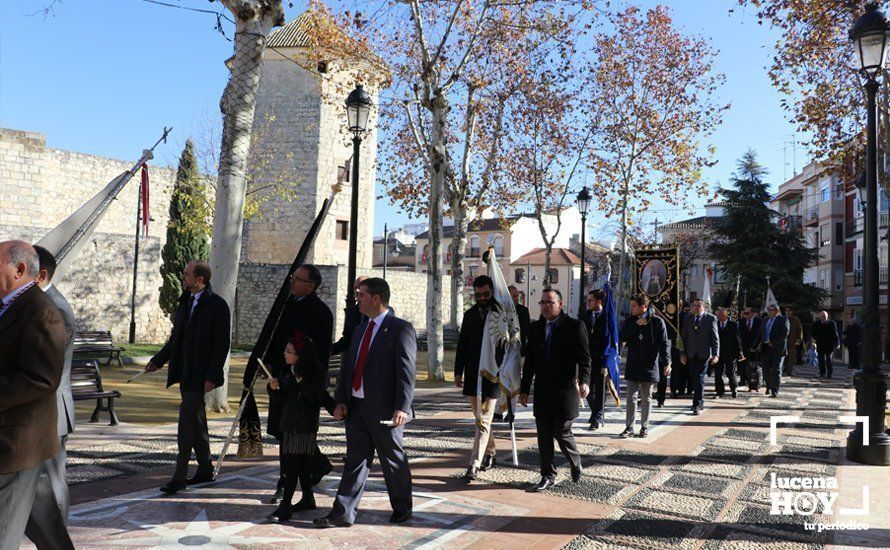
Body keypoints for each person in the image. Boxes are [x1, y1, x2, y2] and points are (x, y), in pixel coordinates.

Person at [315, 278, 416, 528]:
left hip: (385, 410)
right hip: (357, 408)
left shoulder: (400, 329)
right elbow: (349, 369)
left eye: (360, 294)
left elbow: (406, 372)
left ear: (376, 298)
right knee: (355, 461)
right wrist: (341, 400)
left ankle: (402, 506)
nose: (356, 299)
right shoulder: (359, 329)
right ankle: (342, 514)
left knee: (393, 460)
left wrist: (403, 407)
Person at [0, 240, 73, 550]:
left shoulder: (43, 311)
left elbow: (41, 378)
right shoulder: (10, 305)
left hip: (16, 444)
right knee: (47, 528)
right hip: (20, 444)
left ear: (19, 270)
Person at [146, 260, 231, 494]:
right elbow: (176, 338)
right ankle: (205, 468)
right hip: (185, 371)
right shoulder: (185, 301)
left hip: (201, 374)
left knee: (186, 424)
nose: (183, 277)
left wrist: (213, 375)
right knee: (197, 421)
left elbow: (221, 344)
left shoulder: (217, 305)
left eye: (186, 274)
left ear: (200, 279)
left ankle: (179, 476)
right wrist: (158, 360)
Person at [264, 264, 334, 504]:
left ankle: (287, 483)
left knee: (294, 434)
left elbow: (320, 352)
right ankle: (318, 466)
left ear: (311, 285)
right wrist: (270, 365)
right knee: (282, 430)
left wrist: (307, 377)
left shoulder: (321, 312)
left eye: (297, 279)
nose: (291, 282)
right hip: (282, 379)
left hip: (303, 385)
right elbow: (276, 339)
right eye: (292, 278)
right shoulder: (286, 305)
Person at [24, 246, 76, 548]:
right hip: (43, 411)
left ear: (40, 274)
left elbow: (47, 372)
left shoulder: (55, 309)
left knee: (52, 486)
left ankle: (58, 541)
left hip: (52, 412)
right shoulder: (38, 304)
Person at [519, 289, 591, 492]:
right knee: (543, 435)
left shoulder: (575, 326)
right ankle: (547, 475)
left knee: (561, 430)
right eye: (542, 302)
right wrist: (525, 389)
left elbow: (585, 359)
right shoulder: (535, 328)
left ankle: (575, 461)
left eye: (549, 302)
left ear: (560, 304)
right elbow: (530, 362)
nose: (544, 306)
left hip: (565, 391)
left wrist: (584, 381)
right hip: (543, 391)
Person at [266, 333, 336, 523]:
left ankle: (285, 507)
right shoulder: (286, 371)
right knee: (303, 464)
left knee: (291, 465)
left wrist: (335, 409)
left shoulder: (314, 373)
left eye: (289, 351)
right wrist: (274, 389)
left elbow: (319, 397)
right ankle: (307, 498)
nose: (284, 354)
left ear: (300, 355)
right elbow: (281, 399)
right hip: (289, 424)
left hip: (305, 426)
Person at [454, 275, 499, 481]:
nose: (482, 298)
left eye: (486, 294)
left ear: (492, 292)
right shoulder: (470, 314)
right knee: (479, 418)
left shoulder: (501, 313)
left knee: (483, 420)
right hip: (473, 374)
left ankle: (474, 464)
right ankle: (490, 452)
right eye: (478, 295)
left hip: (493, 375)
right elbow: (463, 344)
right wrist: (457, 371)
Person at [619, 294, 670, 438]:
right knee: (631, 397)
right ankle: (629, 427)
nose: (631, 308)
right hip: (633, 364)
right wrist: (636, 325)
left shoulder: (658, 322)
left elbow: (664, 344)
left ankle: (644, 427)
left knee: (647, 397)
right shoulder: (631, 321)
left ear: (643, 307)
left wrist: (666, 362)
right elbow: (622, 336)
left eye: (634, 306)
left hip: (649, 365)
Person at [680, 298, 719, 415]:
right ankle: (699, 401)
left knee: (699, 376)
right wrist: (682, 353)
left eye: (698, 306)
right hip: (691, 353)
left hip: (704, 353)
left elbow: (715, 338)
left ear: (704, 307)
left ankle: (697, 403)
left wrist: (716, 354)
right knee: (694, 377)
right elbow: (684, 337)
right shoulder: (688, 318)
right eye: (694, 305)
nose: (695, 308)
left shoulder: (710, 318)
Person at [584, 290, 607, 429]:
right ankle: (596, 412)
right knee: (586, 389)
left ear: (599, 301)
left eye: (591, 300)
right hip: (587, 358)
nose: (588, 303)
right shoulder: (586, 315)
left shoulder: (606, 316)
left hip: (600, 358)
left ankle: (596, 418)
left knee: (599, 390)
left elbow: (609, 338)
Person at [757, 304, 789, 397]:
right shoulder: (765, 320)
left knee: (776, 370)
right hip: (766, 348)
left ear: (776, 311)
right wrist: (755, 345)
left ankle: (775, 391)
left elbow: (784, 334)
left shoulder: (783, 320)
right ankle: (769, 386)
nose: (769, 311)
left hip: (778, 349)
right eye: (769, 310)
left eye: (771, 310)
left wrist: (774, 342)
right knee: (765, 369)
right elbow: (760, 333)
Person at [331, 275, 368, 356]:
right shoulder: (352, 312)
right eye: (355, 288)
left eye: (360, 287)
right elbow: (346, 339)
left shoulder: (378, 312)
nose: (357, 290)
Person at [713, 307, 743, 399]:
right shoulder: (715, 324)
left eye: (720, 315)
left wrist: (740, 352)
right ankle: (719, 391)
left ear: (725, 315)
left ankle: (734, 389)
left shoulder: (733, 325)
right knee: (718, 373)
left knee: (730, 372)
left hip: (731, 353)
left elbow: (738, 340)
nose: (718, 317)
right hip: (718, 353)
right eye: (717, 315)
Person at [739, 307, 763, 391]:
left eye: (747, 313)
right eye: (744, 313)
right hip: (744, 346)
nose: (745, 315)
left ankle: (754, 382)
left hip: (754, 348)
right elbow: (739, 335)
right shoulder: (741, 321)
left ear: (752, 313)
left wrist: (755, 346)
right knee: (742, 363)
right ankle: (743, 379)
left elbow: (759, 335)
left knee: (754, 365)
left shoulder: (759, 321)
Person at [670, 300, 690, 398]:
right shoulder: (669, 315)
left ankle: (681, 389)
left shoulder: (684, 316)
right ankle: (673, 389)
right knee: (673, 369)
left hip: (681, 345)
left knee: (680, 368)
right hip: (672, 344)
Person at [811, 311, 839, 379]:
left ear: (827, 317)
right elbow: (813, 333)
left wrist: (837, 343)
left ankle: (829, 373)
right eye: (822, 317)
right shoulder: (816, 323)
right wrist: (817, 338)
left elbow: (835, 334)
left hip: (830, 344)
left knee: (828, 359)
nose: (823, 318)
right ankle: (822, 373)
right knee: (821, 359)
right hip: (820, 344)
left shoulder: (832, 323)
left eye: (825, 317)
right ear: (820, 317)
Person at [508, 285, 531, 355]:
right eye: (514, 296)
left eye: (518, 296)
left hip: (520, 349)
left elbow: (526, 329)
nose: (517, 298)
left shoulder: (523, 310)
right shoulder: (502, 310)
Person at [783, 307, 804, 377]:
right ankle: (785, 368)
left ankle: (789, 371)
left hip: (792, 341)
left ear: (791, 312)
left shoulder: (796, 319)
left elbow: (800, 329)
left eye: (789, 311)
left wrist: (799, 339)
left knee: (791, 357)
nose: (788, 312)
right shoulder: (782, 319)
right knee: (784, 356)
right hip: (783, 341)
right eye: (786, 311)